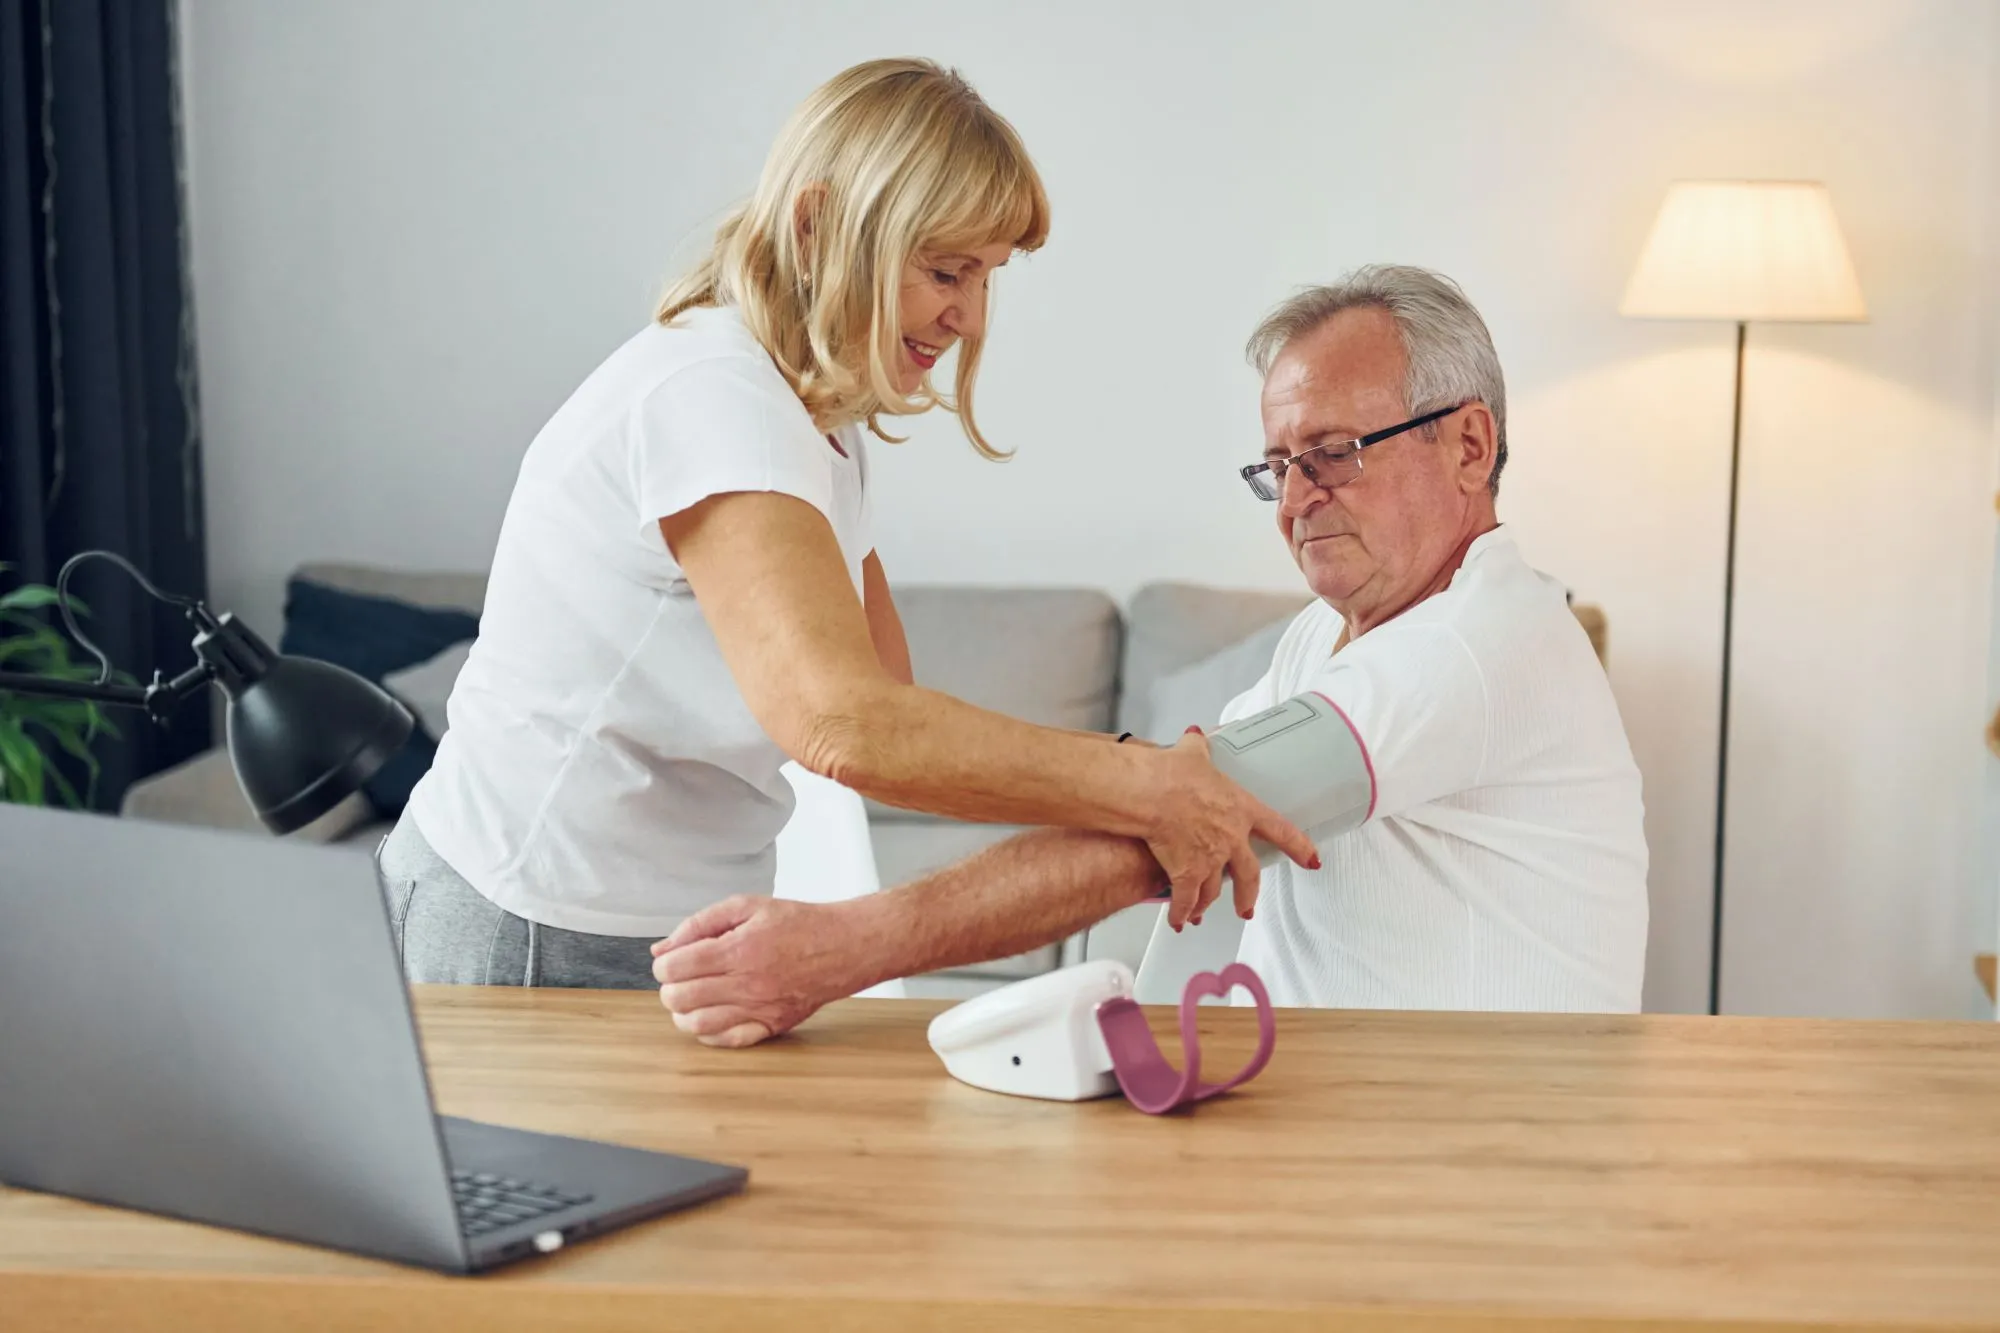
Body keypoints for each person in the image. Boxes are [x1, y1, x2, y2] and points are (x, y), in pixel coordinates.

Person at [375, 58, 1316, 1004]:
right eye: (947, 271)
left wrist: (1137, 788)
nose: (970, 316)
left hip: (649, 924)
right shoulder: (714, 394)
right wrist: (1145, 784)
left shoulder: (819, 427)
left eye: (987, 279)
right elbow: (843, 725)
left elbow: (890, 708)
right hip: (527, 919)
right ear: (820, 224)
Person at [654, 264, 1649, 1042]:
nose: (1298, 499)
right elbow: (1180, 795)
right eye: (1278, 465)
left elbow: (1162, 832)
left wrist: (839, 946)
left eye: (1335, 453)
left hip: (1465, 1161)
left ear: (1469, 446)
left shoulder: (1473, 645)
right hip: (1346, 1123)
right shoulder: (1329, 632)